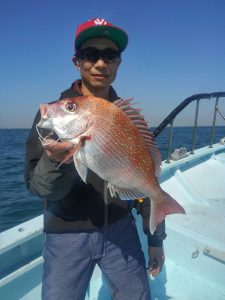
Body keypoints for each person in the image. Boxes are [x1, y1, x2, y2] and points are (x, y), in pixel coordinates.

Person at [25, 18, 166, 300]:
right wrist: (55, 161)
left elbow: (147, 179)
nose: (101, 63)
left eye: (110, 55)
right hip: (66, 234)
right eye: (91, 55)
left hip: (120, 229)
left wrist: (155, 240)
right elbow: (39, 188)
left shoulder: (128, 120)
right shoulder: (54, 118)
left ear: (118, 63)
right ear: (77, 61)